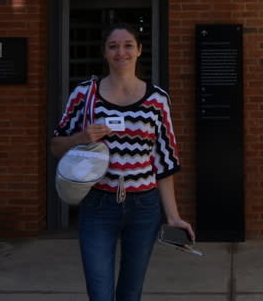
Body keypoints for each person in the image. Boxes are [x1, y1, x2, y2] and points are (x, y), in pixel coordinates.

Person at [51, 23, 194, 301]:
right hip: (98, 205)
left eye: (128, 45)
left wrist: (173, 216)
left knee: (130, 293)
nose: (121, 52)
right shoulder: (85, 94)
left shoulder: (157, 99)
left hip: (144, 207)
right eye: (113, 46)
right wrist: (81, 136)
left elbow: (164, 161)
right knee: (100, 293)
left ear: (139, 51)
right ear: (104, 53)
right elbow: (56, 146)